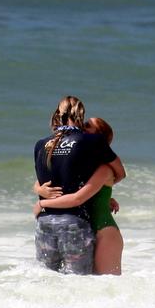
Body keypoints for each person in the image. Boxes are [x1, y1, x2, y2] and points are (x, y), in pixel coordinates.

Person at [34, 96, 125, 274]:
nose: (84, 127)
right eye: (85, 123)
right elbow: (120, 172)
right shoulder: (88, 147)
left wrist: (41, 202)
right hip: (74, 223)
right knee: (79, 283)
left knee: (47, 280)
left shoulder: (41, 144)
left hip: (44, 222)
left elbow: (53, 181)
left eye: (89, 126)